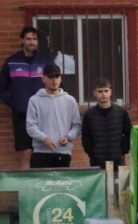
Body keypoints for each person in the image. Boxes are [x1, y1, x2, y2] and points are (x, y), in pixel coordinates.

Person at [1, 27, 52, 169]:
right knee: (26, 154)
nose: (32, 42)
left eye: (35, 39)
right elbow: (2, 89)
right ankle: (27, 190)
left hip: (44, 116)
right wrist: (15, 104)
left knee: (43, 154)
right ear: (22, 40)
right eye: (29, 39)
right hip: (22, 116)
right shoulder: (12, 62)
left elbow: (57, 85)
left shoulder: (46, 62)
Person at [25, 64, 80, 168]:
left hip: (63, 152)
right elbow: (30, 126)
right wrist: (44, 138)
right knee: (40, 184)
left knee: (61, 184)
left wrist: (68, 137)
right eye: (50, 77)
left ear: (60, 78)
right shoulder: (34, 100)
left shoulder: (70, 100)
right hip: (41, 152)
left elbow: (77, 125)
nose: (54, 80)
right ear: (43, 79)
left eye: (57, 77)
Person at [81, 77, 132, 169]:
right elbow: (86, 138)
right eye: (100, 91)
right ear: (94, 93)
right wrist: (92, 153)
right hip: (96, 161)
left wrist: (122, 151)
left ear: (110, 92)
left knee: (119, 183)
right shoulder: (89, 115)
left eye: (106, 91)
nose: (103, 94)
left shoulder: (121, 112)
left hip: (118, 160)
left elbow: (129, 134)